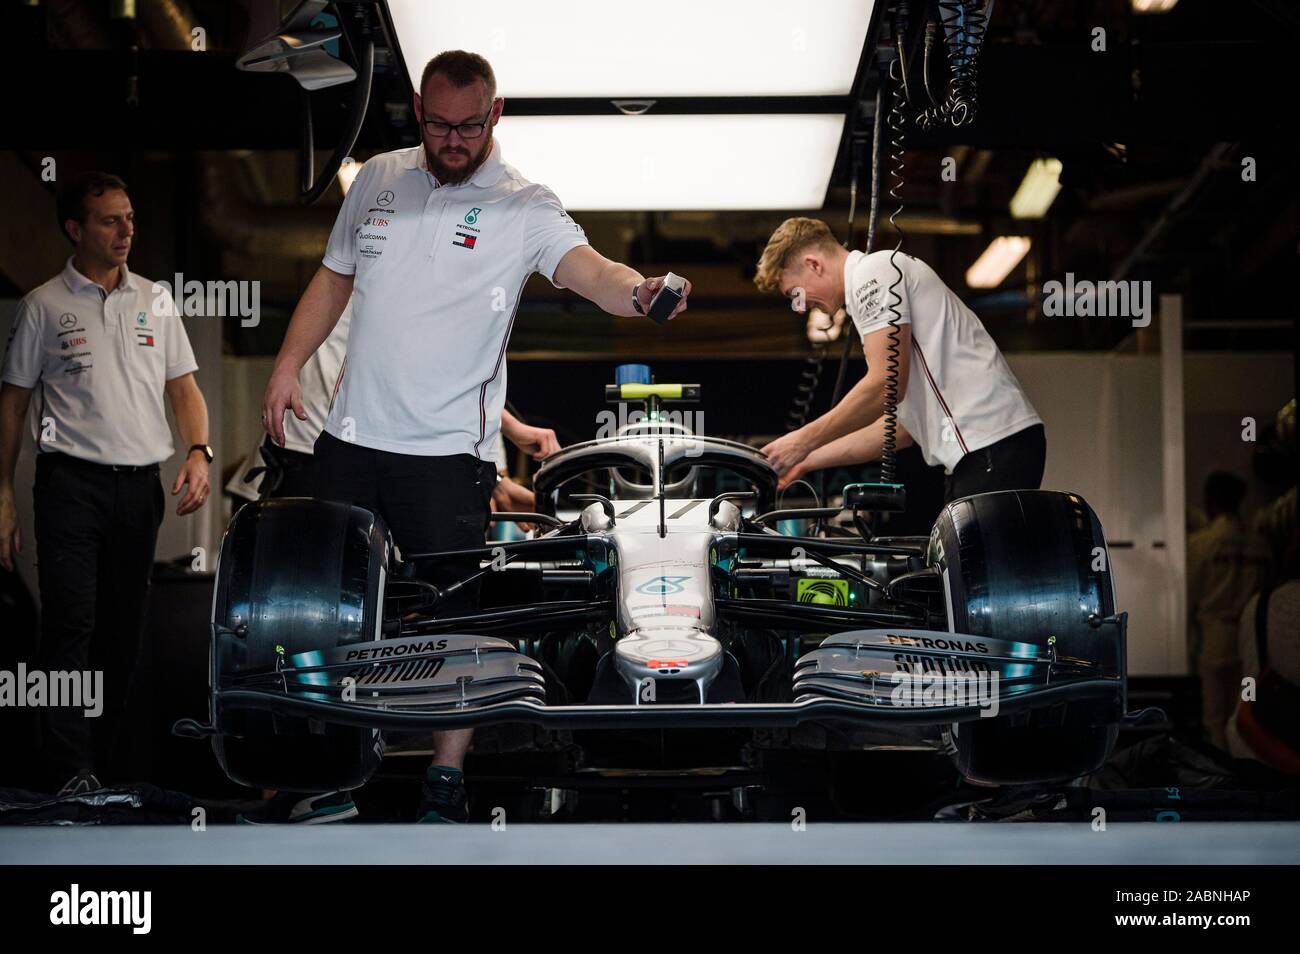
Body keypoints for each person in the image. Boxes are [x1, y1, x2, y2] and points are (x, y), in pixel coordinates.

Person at [260, 50, 689, 824]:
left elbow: (591, 273)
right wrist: (288, 363)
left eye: (466, 126)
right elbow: (333, 279)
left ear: (494, 116)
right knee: (327, 612)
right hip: (351, 439)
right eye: (437, 124)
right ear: (418, 113)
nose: (451, 140)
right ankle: (326, 773)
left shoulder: (525, 206)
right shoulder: (379, 179)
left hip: (448, 456)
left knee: (457, 621)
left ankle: (444, 780)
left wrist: (642, 292)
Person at [0, 171, 211, 793]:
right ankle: (67, 769)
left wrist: (198, 449)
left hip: (139, 488)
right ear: (75, 229)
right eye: (110, 221)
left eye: (130, 218)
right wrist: (3, 493)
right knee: (71, 626)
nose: (126, 231)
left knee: (124, 631)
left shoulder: (156, 299)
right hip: (69, 486)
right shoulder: (44, 305)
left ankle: (111, 769)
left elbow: (184, 387)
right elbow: (12, 403)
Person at [753, 218, 1044, 502]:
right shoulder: (873, 281)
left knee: (975, 552)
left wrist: (801, 440)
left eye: (796, 294)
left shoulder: (874, 272)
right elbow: (900, 430)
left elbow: (886, 385)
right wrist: (805, 460)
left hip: (990, 444)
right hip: (991, 447)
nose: (800, 308)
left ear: (814, 264)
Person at [1187, 471, 1269, 749]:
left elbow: (1191, 591)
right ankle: (1246, 773)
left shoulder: (1202, 543)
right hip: (1252, 638)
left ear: (1211, 500)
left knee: (1214, 716)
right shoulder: (1260, 543)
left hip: (1215, 634)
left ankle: (1222, 777)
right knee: (1246, 715)